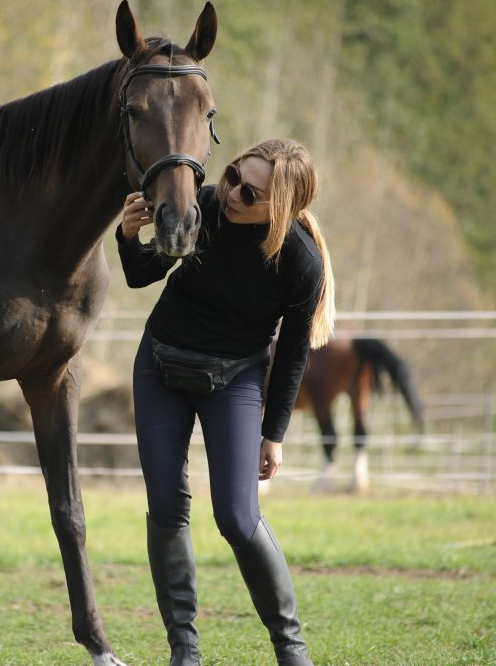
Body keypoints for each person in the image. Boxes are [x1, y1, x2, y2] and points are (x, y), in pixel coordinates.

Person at [116, 138, 335, 666]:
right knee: (167, 508)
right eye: (234, 173)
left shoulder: (300, 264)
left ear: (280, 206)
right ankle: (184, 652)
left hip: (235, 380)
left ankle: (291, 650)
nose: (232, 191)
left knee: (238, 518)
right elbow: (140, 272)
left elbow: (290, 360)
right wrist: (127, 235)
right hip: (161, 367)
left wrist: (274, 434)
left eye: (250, 191)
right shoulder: (206, 208)